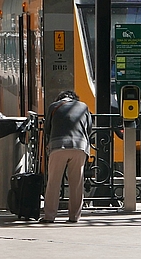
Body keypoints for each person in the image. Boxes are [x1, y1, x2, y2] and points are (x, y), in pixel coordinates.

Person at [41, 90, 92, 224]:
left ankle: (49, 216)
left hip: (58, 146)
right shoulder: (84, 106)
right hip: (79, 147)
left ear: (60, 98)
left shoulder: (53, 106)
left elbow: (47, 129)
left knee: (53, 182)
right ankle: (74, 216)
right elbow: (89, 128)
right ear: (75, 99)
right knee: (77, 183)